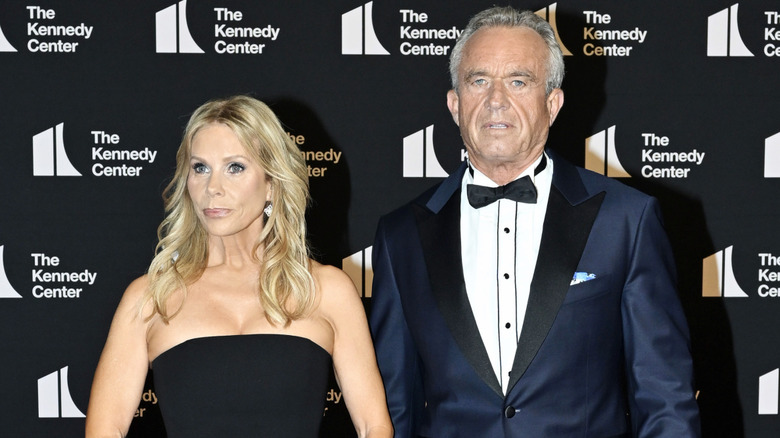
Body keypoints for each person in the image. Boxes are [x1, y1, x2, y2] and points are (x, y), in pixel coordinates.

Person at [369, 6, 700, 437]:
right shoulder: (401, 236)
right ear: (455, 104)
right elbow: (392, 409)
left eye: (518, 81)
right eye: (479, 81)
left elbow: (665, 399)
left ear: (552, 103)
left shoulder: (625, 220)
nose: (496, 100)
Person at [86, 95, 393, 438]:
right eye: (200, 168)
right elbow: (104, 428)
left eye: (235, 167)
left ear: (272, 184)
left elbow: (374, 425)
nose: (212, 188)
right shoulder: (150, 296)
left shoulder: (326, 289)